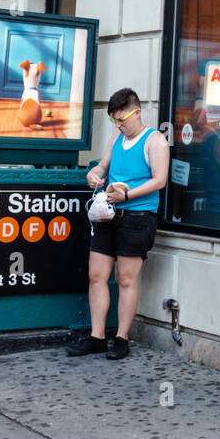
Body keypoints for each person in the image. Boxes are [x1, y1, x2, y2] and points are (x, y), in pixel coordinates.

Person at [68, 88, 170, 359]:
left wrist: (127, 194)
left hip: (137, 216)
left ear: (137, 112)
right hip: (108, 213)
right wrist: (94, 174)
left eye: (123, 119)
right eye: (115, 121)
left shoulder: (155, 140)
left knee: (126, 278)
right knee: (96, 275)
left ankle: (122, 337)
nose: (120, 125)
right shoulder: (117, 137)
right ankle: (97, 336)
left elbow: (159, 180)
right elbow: (103, 165)